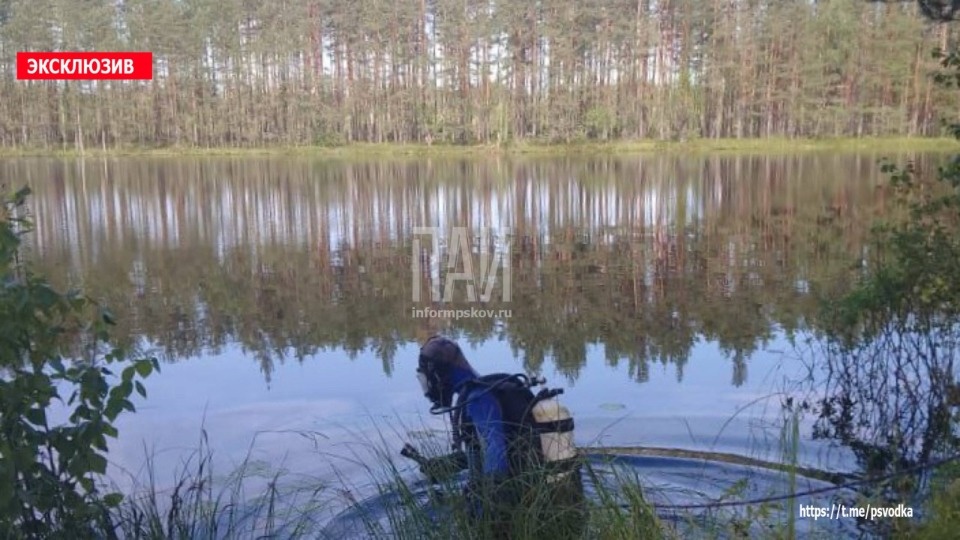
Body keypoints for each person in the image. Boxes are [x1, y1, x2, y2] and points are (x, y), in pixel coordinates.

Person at [408, 335, 585, 539]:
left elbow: (497, 454)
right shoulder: (488, 392)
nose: (427, 388)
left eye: (426, 380)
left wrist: (487, 520)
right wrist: (446, 466)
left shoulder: (477, 399)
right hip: (540, 501)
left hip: (514, 513)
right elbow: (494, 450)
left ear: (438, 375)